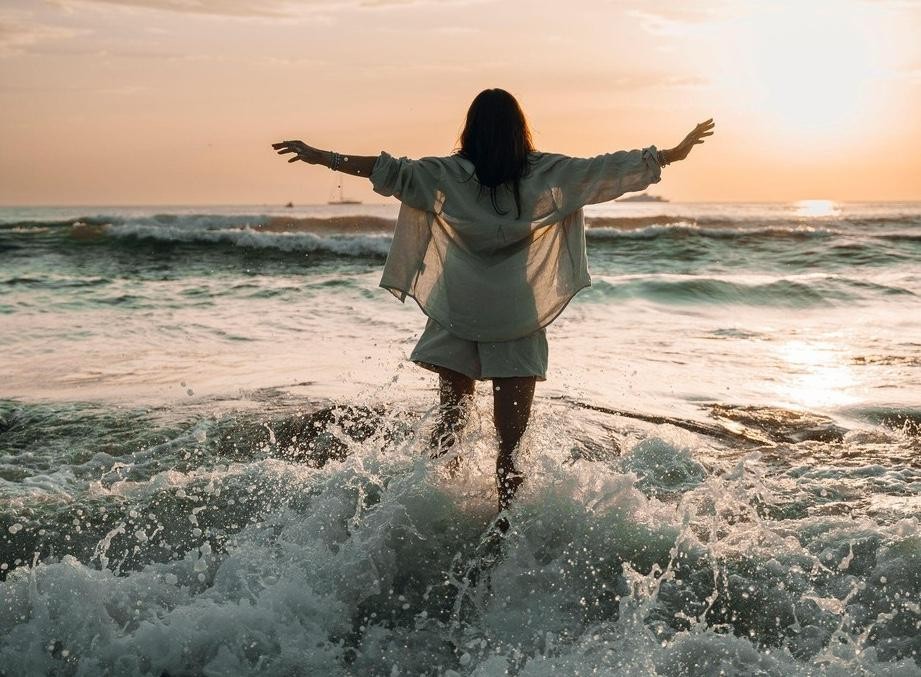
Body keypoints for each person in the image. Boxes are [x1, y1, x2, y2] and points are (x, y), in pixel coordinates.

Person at [273, 88, 714, 520]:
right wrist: (671, 154)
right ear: (520, 129)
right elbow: (605, 171)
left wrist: (323, 156)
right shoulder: (546, 173)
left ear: (472, 128)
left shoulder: (448, 173)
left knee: (449, 427)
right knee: (511, 447)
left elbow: (390, 171)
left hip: (457, 311)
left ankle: (431, 515)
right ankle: (503, 531)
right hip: (517, 315)